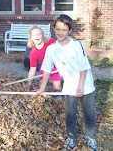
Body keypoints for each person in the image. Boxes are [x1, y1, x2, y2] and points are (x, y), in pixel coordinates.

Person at [36, 14, 98, 150]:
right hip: (69, 87)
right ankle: (71, 137)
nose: (60, 33)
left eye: (64, 30)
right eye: (57, 29)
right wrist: (42, 88)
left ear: (69, 30)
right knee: (70, 115)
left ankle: (90, 137)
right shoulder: (51, 49)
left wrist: (80, 87)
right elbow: (46, 69)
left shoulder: (76, 45)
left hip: (85, 85)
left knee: (89, 114)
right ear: (53, 29)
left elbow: (84, 67)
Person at [26, 26, 62, 92]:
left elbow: (61, 50)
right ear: (31, 37)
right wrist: (28, 84)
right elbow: (32, 70)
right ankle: (46, 97)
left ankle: (58, 97)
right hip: (45, 66)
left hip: (56, 66)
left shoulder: (50, 42)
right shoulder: (33, 53)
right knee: (41, 86)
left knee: (57, 87)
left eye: (39, 34)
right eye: (34, 34)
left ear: (43, 35)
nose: (37, 36)